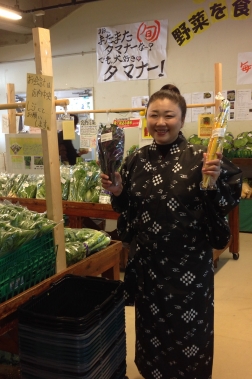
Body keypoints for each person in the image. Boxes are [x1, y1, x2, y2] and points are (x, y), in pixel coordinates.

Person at [101, 84, 242, 379]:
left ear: (181, 118)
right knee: (151, 326)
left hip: (188, 267)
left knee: (189, 331)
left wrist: (214, 183)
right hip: (149, 266)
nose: (161, 122)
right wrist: (117, 190)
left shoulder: (202, 158)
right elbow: (126, 207)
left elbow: (226, 201)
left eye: (169, 115)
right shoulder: (135, 160)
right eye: (154, 115)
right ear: (146, 118)